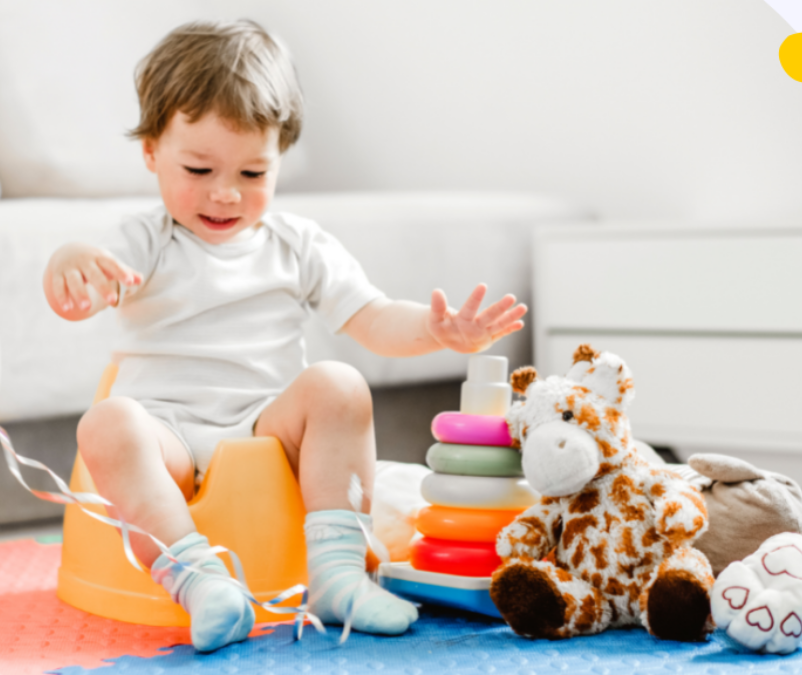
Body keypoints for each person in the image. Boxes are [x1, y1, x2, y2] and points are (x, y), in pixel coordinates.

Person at [42, 19, 527, 652]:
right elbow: (81, 294)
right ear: (151, 153)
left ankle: (336, 575)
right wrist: (69, 266)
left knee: (339, 386)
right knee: (106, 424)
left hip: (264, 429)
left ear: (279, 161)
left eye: (252, 174)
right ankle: (198, 580)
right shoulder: (145, 238)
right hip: (167, 433)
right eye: (198, 167)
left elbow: (375, 321)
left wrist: (438, 330)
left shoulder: (298, 245)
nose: (224, 194)